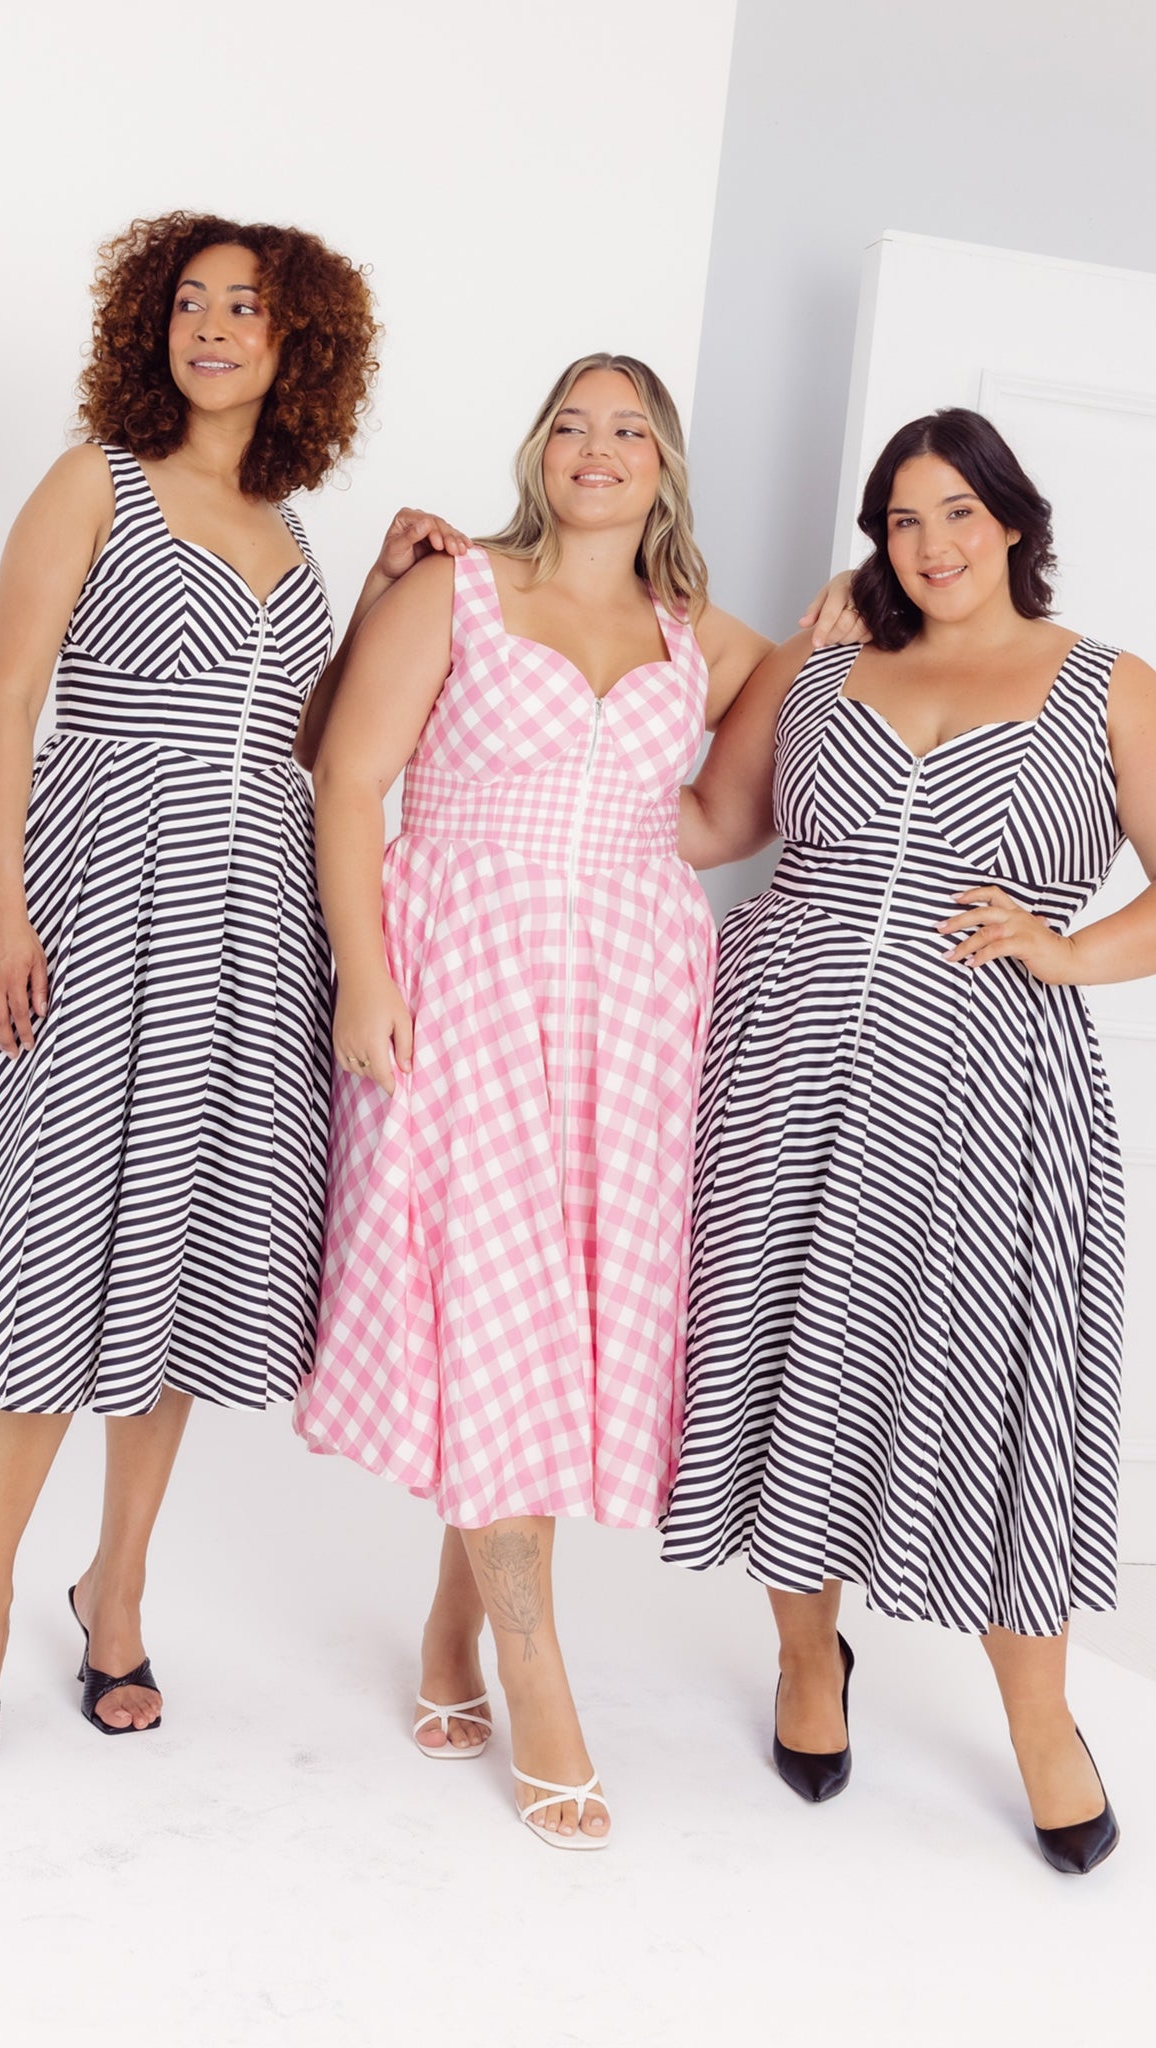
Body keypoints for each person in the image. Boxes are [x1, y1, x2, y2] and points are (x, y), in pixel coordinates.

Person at [0, 210, 464, 1767]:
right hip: (97, 884)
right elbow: (8, 697)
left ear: (294, 343)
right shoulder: (92, 482)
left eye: (243, 309)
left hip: (256, 922)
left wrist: (388, 577)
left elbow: (307, 738)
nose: (210, 328)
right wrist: (4, 903)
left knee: (185, 1261)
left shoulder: (289, 521)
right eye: (187, 304)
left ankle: (115, 1588)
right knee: (53, 1250)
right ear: (151, 327)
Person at [296, 352, 862, 1846]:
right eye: (570, 425)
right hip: (463, 970)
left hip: (631, 989)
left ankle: (448, 1631)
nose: (596, 449)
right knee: (484, 1298)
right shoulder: (456, 586)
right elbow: (349, 780)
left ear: (664, 465)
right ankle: (539, 1687)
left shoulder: (692, 635)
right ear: (536, 452)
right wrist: (363, 975)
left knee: (547, 1324)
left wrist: (816, 646)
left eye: (628, 429)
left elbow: (714, 817)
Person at [663, 406, 1156, 1873]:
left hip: (986, 1098)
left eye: (957, 514)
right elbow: (708, 823)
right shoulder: (826, 667)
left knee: (993, 1389)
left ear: (1013, 524)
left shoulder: (1101, 687)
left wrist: (1072, 953)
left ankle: (1039, 1720)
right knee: (783, 1354)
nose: (931, 544)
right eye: (902, 520)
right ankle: (803, 1655)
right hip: (780, 1071)